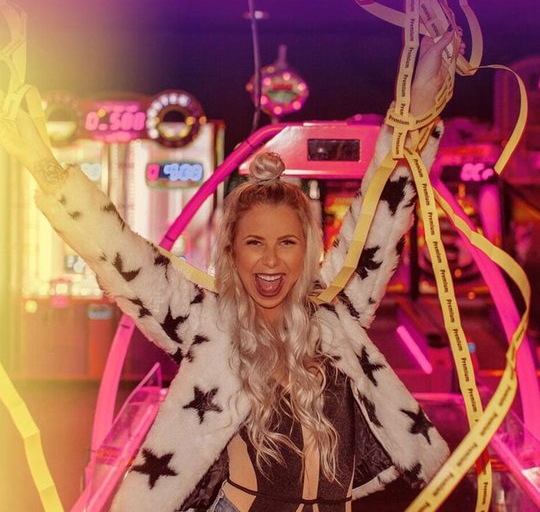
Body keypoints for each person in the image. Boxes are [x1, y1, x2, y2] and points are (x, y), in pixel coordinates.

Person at [0, 31, 460, 511]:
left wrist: (418, 112)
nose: (270, 260)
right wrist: (44, 167)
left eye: (287, 243)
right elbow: (123, 256)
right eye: (254, 243)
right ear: (233, 253)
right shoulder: (211, 323)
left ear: (308, 251)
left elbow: (379, 222)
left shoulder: (336, 313)